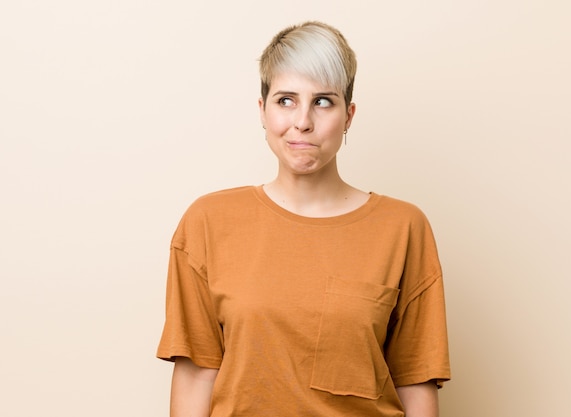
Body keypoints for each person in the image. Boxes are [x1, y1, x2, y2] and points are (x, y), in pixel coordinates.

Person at [157, 21, 451, 417]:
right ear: (263, 111)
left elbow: (415, 382)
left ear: (348, 115)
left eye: (323, 101)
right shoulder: (208, 222)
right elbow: (196, 376)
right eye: (286, 100)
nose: (303, 122)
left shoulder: (403, 228)